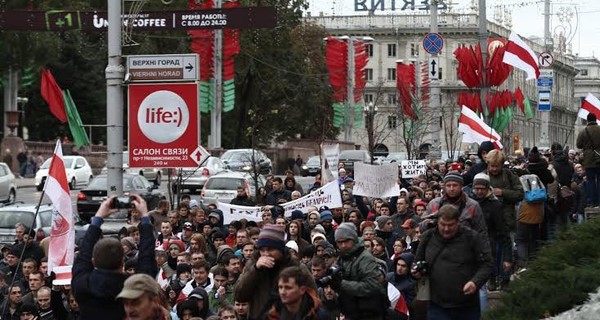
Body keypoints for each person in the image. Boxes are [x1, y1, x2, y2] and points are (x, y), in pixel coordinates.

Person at [72, 194, 158, 320]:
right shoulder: (134, 287)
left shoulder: (82, 284)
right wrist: (144, 217)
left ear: (94, 261)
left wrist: (98, 217)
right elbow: (147, 258)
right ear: (122, 260)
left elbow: (84, 253)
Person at [413, 204, 493, 319]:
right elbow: (417, 262)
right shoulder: (428, 237)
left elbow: (487, 264)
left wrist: (475, 282)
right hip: (437, 305)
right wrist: (416, 272)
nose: (446, 229)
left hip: (466, 306)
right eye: (443, 225)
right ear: (437, 222)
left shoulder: (471, 237)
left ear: (458, 222)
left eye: (450, 225)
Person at [234, 224, 298, 319]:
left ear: (280, 249)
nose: (266, 254)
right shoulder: (253, 264)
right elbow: (239, 295)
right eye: (262, 250)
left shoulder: (295, 266)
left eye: (270, 249)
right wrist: (256, 270)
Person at [333, 223, 389, 320]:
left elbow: (371, 286)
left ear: (354, 239)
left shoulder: (365, 258)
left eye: (346, 241)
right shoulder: (342, 257)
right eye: (339, 242)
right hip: (351, 311)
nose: (343, 245)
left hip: (369, 312)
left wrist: (342, 284)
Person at [261, 266, 326, 320]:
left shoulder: (318, 315)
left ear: (302, 290)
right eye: (280, 287)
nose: (282, 292)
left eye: (288, 288)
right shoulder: (271, 315)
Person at [576, 113, 600, 207]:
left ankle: (593, 202)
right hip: (599, 158)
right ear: (596, 119)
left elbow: (579, 145)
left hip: (589, 160)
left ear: (587, 120)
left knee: (590, 181)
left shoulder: (583, 131)